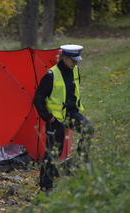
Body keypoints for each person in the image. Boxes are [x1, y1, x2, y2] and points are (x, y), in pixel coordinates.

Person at [33, 44, 94, 191]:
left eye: (77, 61)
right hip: (56, 118)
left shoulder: (76, 70)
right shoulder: (51, 75)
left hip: (72, 113)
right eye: (74, 60)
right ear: (65, 59)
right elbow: (38, 99)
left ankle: (79, 161)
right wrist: (48, 117)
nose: (76, 63)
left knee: (88, 129)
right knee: (54, 152)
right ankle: (45, 186)